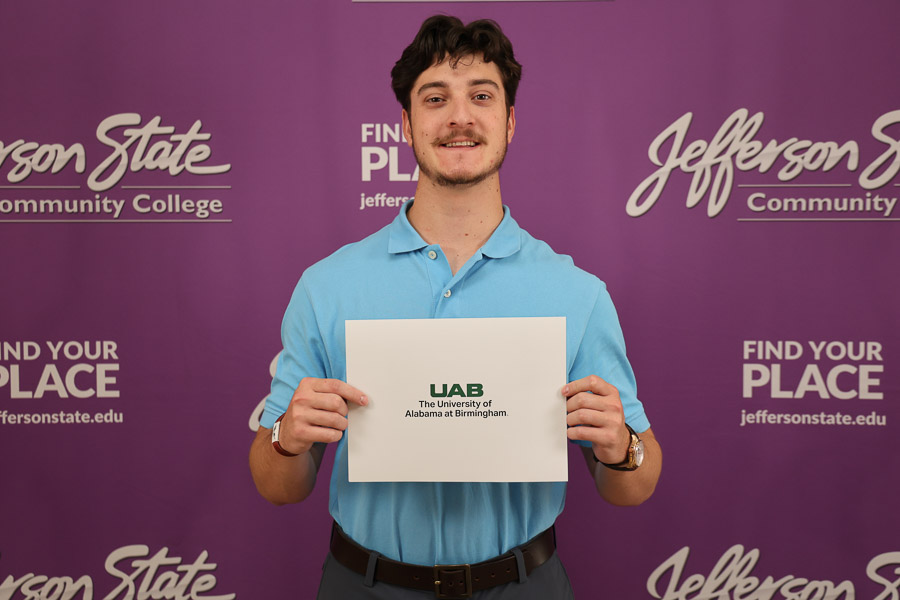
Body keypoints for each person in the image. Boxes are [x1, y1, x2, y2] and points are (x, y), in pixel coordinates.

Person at [249, 15, 661, 599]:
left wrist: (622, 447)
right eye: (436, 98)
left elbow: (634, 486)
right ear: (406, 124)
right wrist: (286, 438)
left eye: (482, 96)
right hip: (364, 585)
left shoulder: (577, 294)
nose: (459, 117)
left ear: (510, 121)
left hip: (522, 586)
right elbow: (278, 486)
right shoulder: (327, 287)